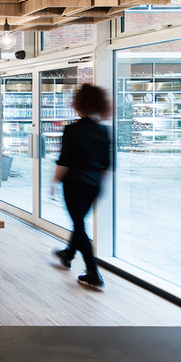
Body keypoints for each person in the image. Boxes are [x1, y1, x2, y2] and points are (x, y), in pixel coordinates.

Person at [53, 84, 111, 289]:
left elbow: (65, 161)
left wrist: (54, 182)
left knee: (79, 225)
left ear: (79, 104)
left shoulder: (72, 129)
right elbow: (106, 164)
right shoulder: (103, 131)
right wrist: (97, 183)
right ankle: (68, 253)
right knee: (79, 221)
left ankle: (92, 271)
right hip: (94, 185)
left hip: (75, 184)